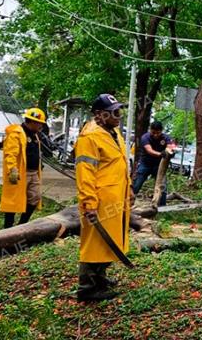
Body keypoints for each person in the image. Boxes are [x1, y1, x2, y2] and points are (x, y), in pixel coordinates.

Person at [74, 94, 132, 302]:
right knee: (93, 243)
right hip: (98, 200)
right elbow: (85, 172)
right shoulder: (89, 136)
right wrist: (89, 203)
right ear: (99, 114)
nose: (119, 115)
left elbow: (121, 163)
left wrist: (130, 189)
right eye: (114, 111)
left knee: (107, 241)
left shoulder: (113, 132)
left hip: (115, 197)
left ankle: (100, 278)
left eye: (119, 111)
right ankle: (87, 288)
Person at [0, 108, 45, 229]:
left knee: (35, 197)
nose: (41, 126)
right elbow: (10, 154)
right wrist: (12, 169)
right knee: (12, 201)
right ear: (32, 122)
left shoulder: (35, 135)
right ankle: (8, 228)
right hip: (20, 172)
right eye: (39, 123)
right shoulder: (16, 133)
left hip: (33, 173)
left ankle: (22, 224)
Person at [131, 121, 175, 206]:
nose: (155, 135)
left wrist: (171, 151)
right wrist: (161, 154)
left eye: (158, 133)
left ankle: (162, 207)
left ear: (161, 131)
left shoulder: (166, 138)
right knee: (136, 184)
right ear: (150, 130)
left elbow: (171, 146)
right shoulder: (145, 137)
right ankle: (128, 203)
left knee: (162, 186)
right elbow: (149, 150)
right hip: (145, 164)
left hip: (159, 166)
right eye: (153, 132)